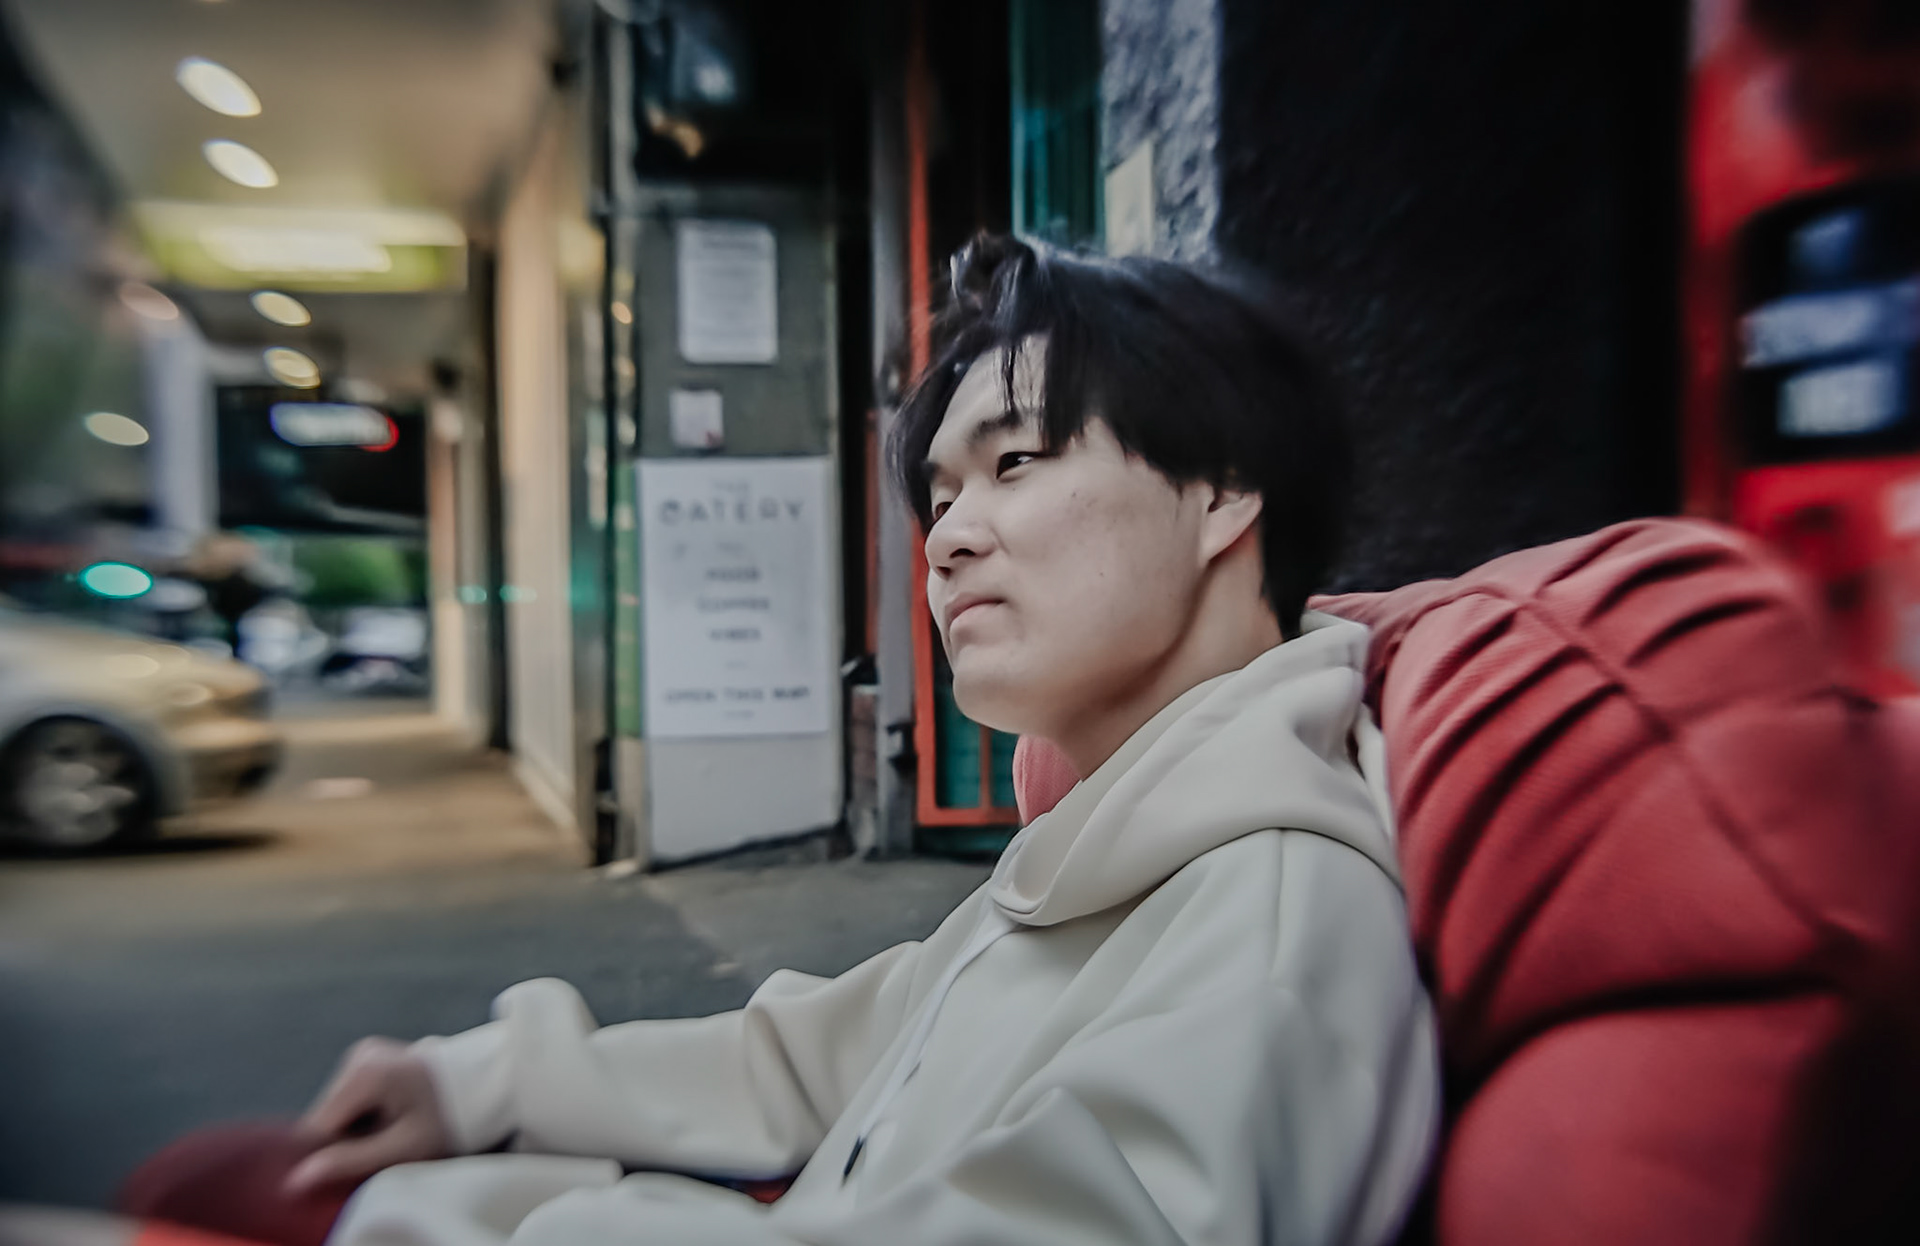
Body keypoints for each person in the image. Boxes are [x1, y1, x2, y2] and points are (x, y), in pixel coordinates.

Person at [296, 236, 1439, 1245]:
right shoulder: (1118, 840)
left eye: (1016, 462)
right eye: (940, 498)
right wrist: (478, 1084)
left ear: (1224, 493)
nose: (945, 542)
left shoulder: (1271, 923)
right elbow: (820, 1056)